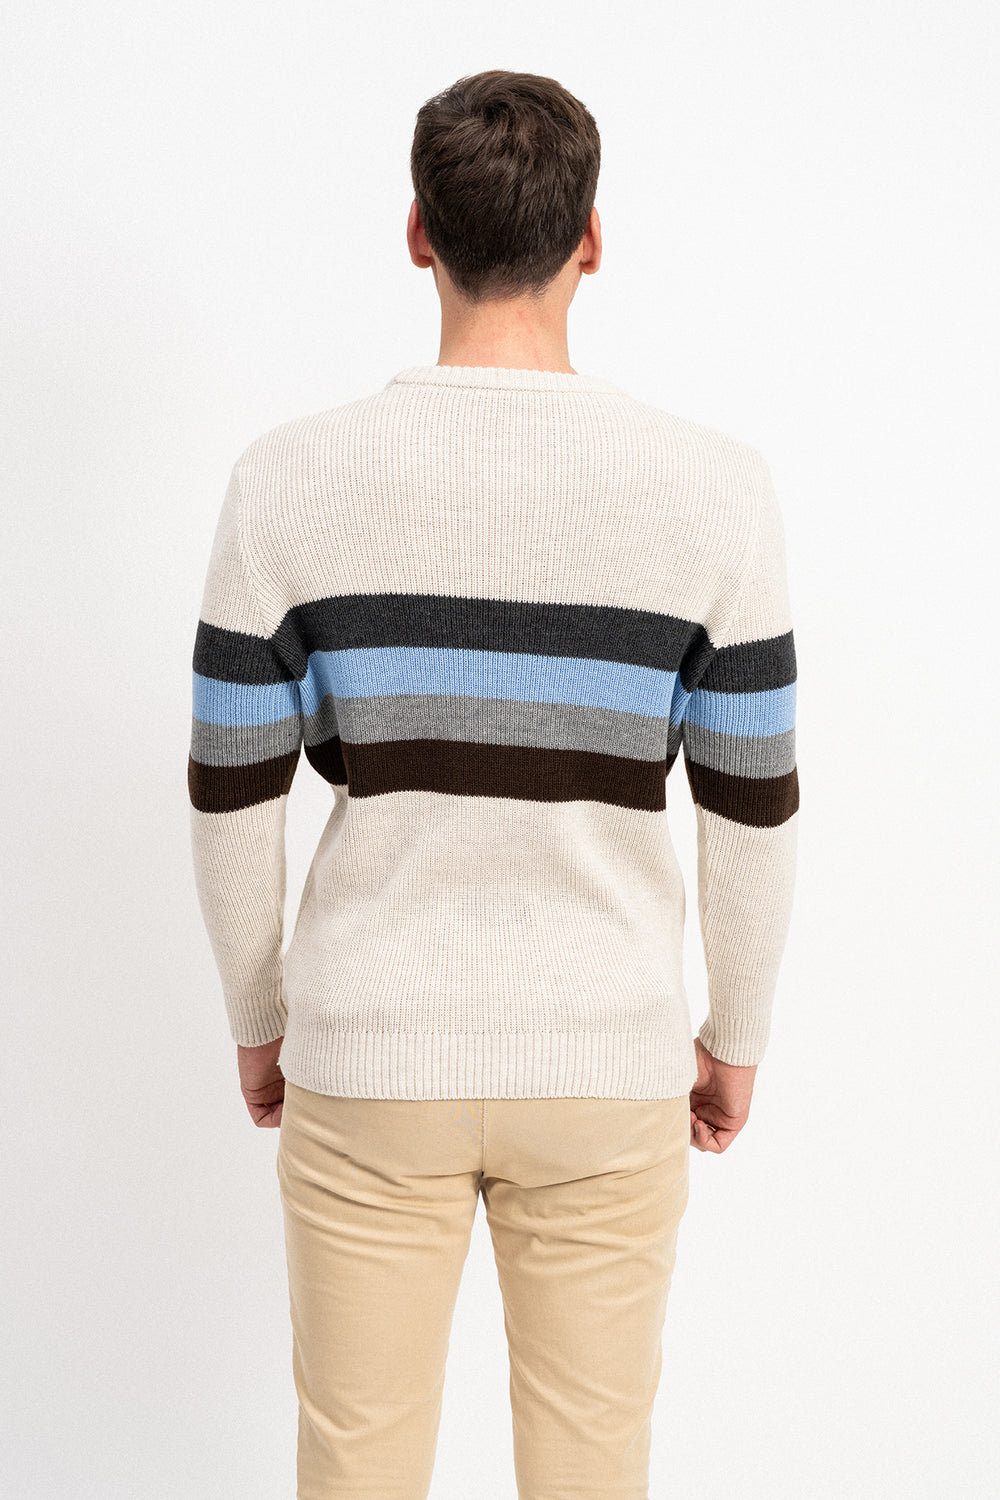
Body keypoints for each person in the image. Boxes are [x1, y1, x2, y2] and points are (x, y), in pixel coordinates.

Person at [187, 68, 799, 1500]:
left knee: (354, 1467)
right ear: (592, 238)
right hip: (604, 1054)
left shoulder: (287, 480)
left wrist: (263, 1020)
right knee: (593, 1471)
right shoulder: (714, 490)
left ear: (419, 232)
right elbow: (753, 809)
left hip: (368, 1050)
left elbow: (230, 796)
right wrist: (736, 1034)